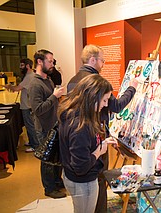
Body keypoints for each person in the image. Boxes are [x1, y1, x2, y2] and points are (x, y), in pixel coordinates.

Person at [67, 44, 138, 213]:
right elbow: (117, 105)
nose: (103, 64)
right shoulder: (94, 83)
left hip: (82, 145)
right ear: (93, 60)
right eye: (102, 60)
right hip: (94, 138)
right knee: (97, 180)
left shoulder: (72, 80)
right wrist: (132, 87)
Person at [59, 74, 117, 213]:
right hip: (83, 182)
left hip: (74, 178)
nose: (106, 105)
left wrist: (102, 142)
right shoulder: (80, 126)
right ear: (93, 98)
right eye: (104, 100)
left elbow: (83, 146)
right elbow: (81, 166)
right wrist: (99, 151)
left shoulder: (73, 113)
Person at [28, 49, 66, 199]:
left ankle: (57, 181)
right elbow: (38, 110)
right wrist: (54, 96)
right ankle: (49, 188)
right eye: (50, 61)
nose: (52, 64)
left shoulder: (48, 80)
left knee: (55, 156)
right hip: (43, 128)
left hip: (54, 125)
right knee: (47, 159)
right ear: (39, 62)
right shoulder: (35, 84)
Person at [2, 58, 38, 152]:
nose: (20, 67)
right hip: (27, 104)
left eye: (22, 65)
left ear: (27, 66)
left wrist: (9, 86)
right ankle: (32, 141)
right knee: (29, 125)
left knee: (30, 126)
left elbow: (17, 88)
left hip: (28, 105)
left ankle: (35, 145)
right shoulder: (29, 75)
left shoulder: (30, 76)